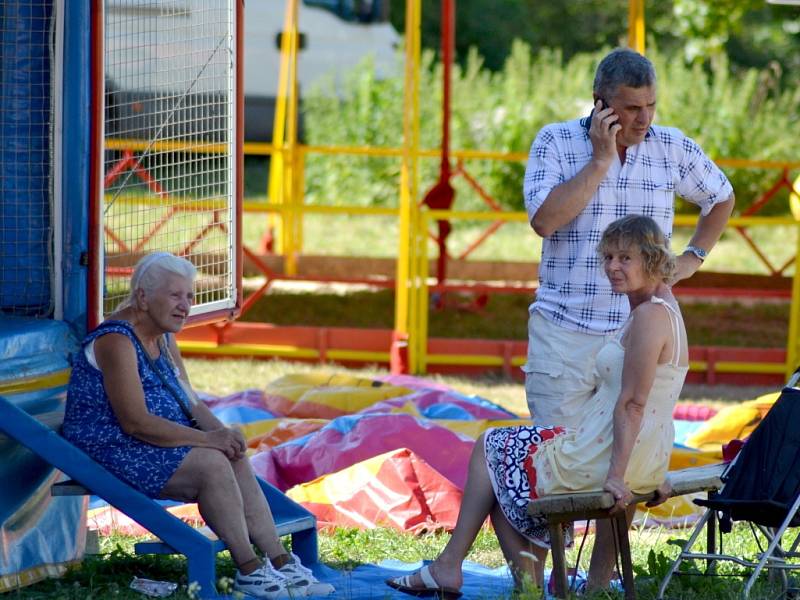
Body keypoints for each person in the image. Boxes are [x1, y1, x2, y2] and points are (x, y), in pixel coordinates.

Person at [386, 215, 688, 597]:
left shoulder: (649, 316)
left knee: (490, 450)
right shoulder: (664, 307)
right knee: (502, 470)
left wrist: (616, 476)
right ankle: (515, 581)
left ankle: (462, 569)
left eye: (625, 258)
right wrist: (652, 467)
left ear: (651, 258)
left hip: (605, 459)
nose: (612, 266)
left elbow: (633, 404)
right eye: (608, 256)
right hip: (638, 457)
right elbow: (662, 398)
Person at [62, 252, 334, 600]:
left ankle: (282, 563)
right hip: (113, 448)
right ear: (143, 297)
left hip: (151, 442)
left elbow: (190, 401)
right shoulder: (115, 340)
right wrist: (208, 440)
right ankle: (250, 569)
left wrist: (225, 435)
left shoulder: (163, 336)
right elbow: (135, 422)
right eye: (175, 295)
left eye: (189, 296)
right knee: (211, 463)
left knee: (231, 453)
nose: (185, 306)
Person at [523, 47, 733, 430]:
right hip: (564, 333)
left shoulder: (671, 145)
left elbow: (721, 197)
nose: (645, 118)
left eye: (651, 105)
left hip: (642, 332)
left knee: (630, 465)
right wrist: (600, 161)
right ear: (599, 103)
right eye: (633, 107)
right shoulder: (554, 141)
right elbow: (545, 222)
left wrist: (693, 257)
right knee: (553, 461)